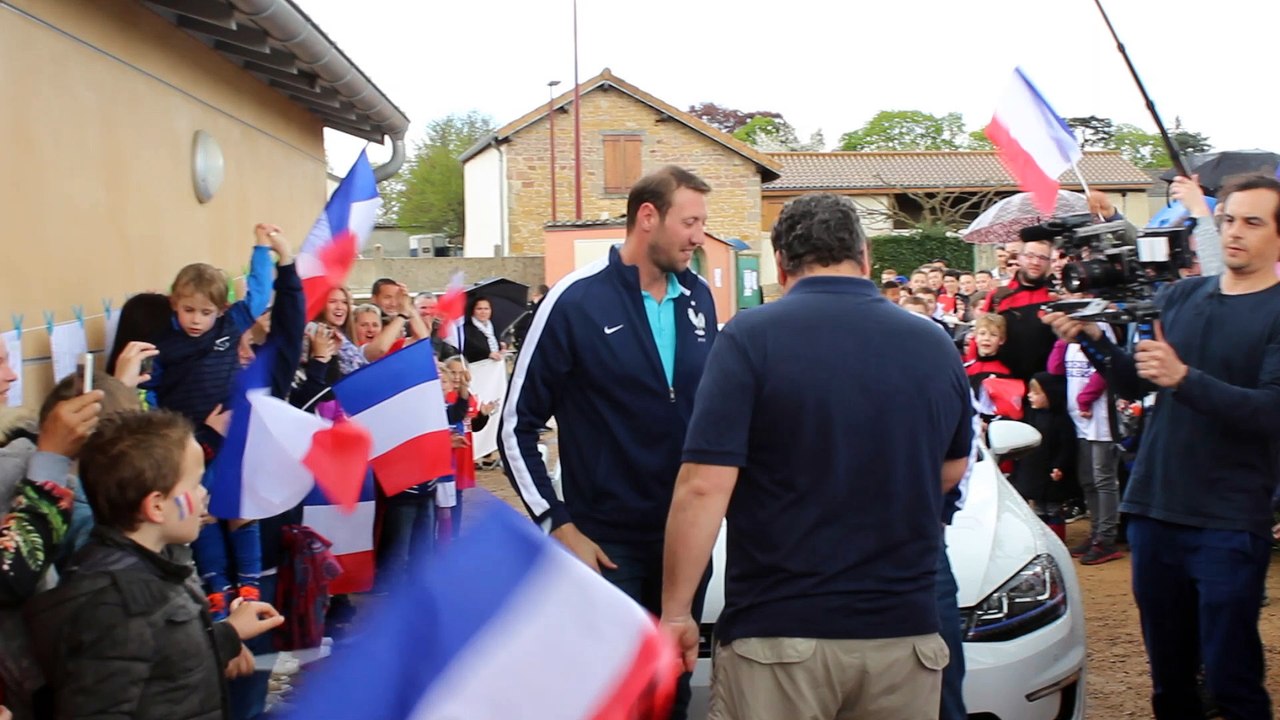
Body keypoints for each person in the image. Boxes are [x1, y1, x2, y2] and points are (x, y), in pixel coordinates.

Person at [660, 193, 972, 720]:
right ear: (865, 256)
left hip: (781, 632)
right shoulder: (934, 343)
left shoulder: (749, 338)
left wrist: (675, 613)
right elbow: (953, 468)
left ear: (781, 266)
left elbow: (703, 486)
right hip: (903, 633)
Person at [1042, 174, 1280, 719]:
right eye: (1227, 220)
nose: (1235, 232)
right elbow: (1138, 386)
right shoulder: (1183, 296)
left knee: (1231, 677)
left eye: (1252, 222)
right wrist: (1096, 341)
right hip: (1152, 510)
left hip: (1228, 518)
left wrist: (1184, 378)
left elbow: (1270, 410)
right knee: (1170, 680)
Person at [499, 165, 718, 719]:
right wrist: (558, 523)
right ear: (648, 217)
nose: (698, 236)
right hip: (608, 548)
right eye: (689, 222)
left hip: (684, 542)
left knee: (671, 692)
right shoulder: (575, 301)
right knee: (613, 699)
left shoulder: (698, 297)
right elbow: (514, 426)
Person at [25, 411, 285, 720]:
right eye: (196, 483)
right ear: (157, 506)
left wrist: (226, 636)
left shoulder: (160, 566)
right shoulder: (116, 606)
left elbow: (160, 656)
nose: (205, 494)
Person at [143, 224, 287, 620]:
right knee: (200, 512)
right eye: (189, 310)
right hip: (190, 444)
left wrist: (261, 249)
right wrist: (163, 429)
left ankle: (250, 580)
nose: (196, 319)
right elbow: (149, 390)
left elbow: (258, 294)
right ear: (175, 303)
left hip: (232, 437)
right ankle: (217, 585)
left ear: (220, 311)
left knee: (242, 506)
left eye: (206, 312)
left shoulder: (228, 326)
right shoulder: (163, 345)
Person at [970, 237, 1058, 380]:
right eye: (1030, 256)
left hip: (1042, 386)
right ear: (1020, 258)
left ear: (1049, 263)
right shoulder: (999, 296)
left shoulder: (1055, 297)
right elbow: (979, 335)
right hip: (1003, 383)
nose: (1036, 262)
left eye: (1043, 257)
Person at [461, 296, 506, 364]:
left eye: (486, 309)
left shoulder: (494, 327)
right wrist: (488, 354)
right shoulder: (467, 328)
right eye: (479, 309)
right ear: (473, 310)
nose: (483, 312)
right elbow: (469, 349)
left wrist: (501, 349)